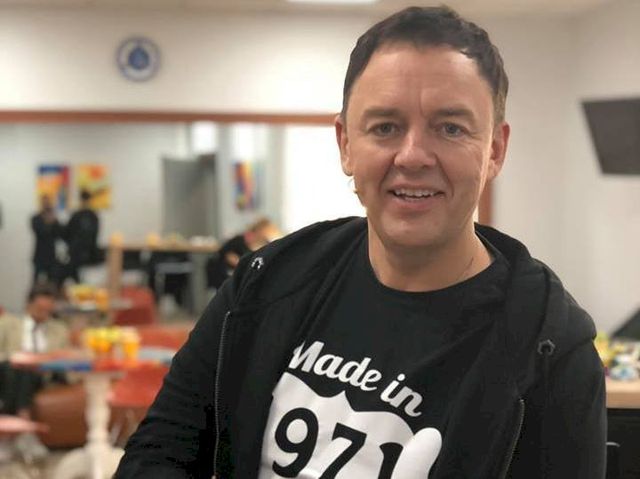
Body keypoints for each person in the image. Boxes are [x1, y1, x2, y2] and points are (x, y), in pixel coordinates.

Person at [116, 6, 606, 478]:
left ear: (494, 150)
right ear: (346, 144)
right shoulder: (266, 284)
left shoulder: (549, 350)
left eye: (450, 128)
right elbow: (159, 452)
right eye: (385, 127)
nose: (413, 156)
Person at [0, 283, 69, 462]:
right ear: (28, 305)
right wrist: (14, 357)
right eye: (39, 309)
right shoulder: (8, 323)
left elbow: (64, 357)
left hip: (42, 375)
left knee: (28, 370)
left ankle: (8, 437)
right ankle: (24, 428)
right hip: (8, 371)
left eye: (48, 311)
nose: (43, 314)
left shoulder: (59, 330)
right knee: (17, 369)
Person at [206, 217, 281, 291]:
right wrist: (243, 264)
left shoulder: (264, 244)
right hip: (226, 274)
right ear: (259, 230)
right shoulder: (240, 240)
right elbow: (229, 257)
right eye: (265, 231)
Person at [62, 189, 100, 284]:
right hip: (77, 252)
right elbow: (68, 233)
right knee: (77, 279)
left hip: (86, 253)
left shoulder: (92, 216)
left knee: (86, 279)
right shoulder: (78, 216)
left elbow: (94, 235)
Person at [30, 195, 63, 286]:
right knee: (36, 282)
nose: (46, 205)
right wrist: (48, 222)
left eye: (47, 202)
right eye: (44, 202)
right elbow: (40, 232)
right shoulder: (35, 218)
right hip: (39, 255)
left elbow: (59, 234)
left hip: (51, 255)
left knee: (52, 282)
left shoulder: (54, 219)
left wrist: (54, 221)